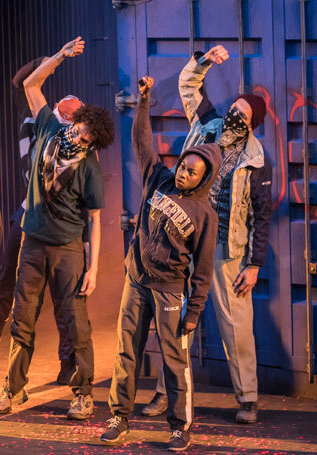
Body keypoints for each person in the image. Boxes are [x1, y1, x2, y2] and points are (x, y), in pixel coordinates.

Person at [140, 45, 272, 425]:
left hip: (226, 251)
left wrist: (255, 264)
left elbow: (260, 217)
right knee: (174, 319)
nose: (233, 116)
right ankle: (167, 394)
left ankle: (247, 398)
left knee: (236, 326)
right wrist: (203, 61)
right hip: (182, 239)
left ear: (252, 125)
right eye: (234, 109)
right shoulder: (207, 124)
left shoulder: (256, 160)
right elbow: (188, 86)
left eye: (242, 116)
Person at [0, 37, 113, 421]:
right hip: (33, 242)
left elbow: (93, 218)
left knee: (75, 322)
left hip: (69, 250)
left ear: (95, 143)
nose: (79, 138)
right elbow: (30, 85)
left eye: (88, 138)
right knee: (23, 318)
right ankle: (13, 388)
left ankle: (84, 393)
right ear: (73, 122)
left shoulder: (89, 167)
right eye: (79, 130)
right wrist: (60, 56)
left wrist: (93, 268)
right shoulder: (46, 128)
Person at [100, 76, 220, 452]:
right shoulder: (160, 179)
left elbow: (202, 271)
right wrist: (143, 101)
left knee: (173, 359)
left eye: (192, 172)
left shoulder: (205, 215)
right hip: (136, 281)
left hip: (169, 292)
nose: (183, 173)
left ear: (205, 178)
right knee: (126, 351)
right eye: (183, 166)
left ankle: (180, 425)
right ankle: (119, 416)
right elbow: (141, 142)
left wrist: (193, 313)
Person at [0, 57, 84, 385]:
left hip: (58, 222)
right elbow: (20, 83)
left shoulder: (76, 141)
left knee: (61, 295)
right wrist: (52, 59)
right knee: (6, 284)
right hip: (28, 213)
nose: (65, 123)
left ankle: (69, 364)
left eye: (70, 120)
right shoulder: (35, 122)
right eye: (62, 116)